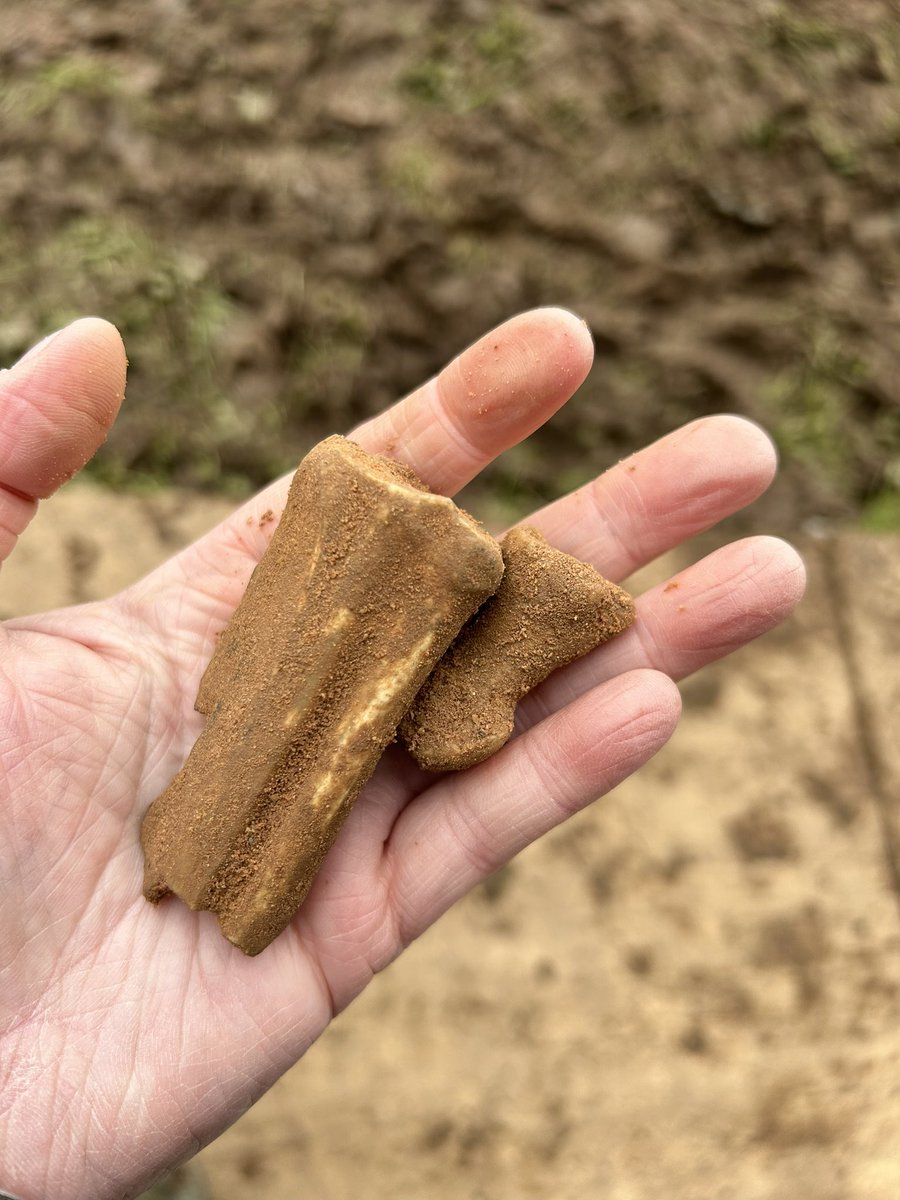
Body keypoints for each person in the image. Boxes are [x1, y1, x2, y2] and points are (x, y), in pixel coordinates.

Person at [0, 309, 805, 1200]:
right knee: (316, 752)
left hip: (279, 749)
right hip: (251, 760)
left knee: (349, 743)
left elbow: (437, 727)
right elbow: (433, 728)